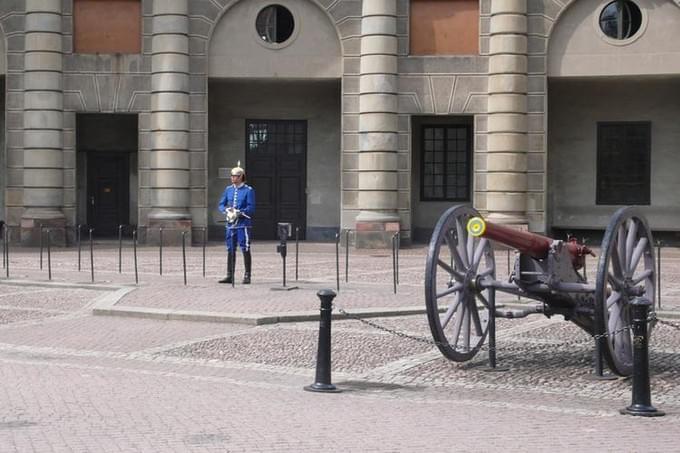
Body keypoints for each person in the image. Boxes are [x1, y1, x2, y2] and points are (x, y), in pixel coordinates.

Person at [217, 162, 256, 284]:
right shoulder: (228, 189)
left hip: (242, 223)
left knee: (245, 248)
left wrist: (239, 212)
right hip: (230, 223)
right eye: (232, 176)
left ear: (241, 177)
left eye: (235, 176)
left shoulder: (248, 190)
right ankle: (230, 275)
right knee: (230, 248)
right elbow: (221, 204)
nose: (233, 178)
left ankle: (247, 275)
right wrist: (226, 210)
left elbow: (251, 208)